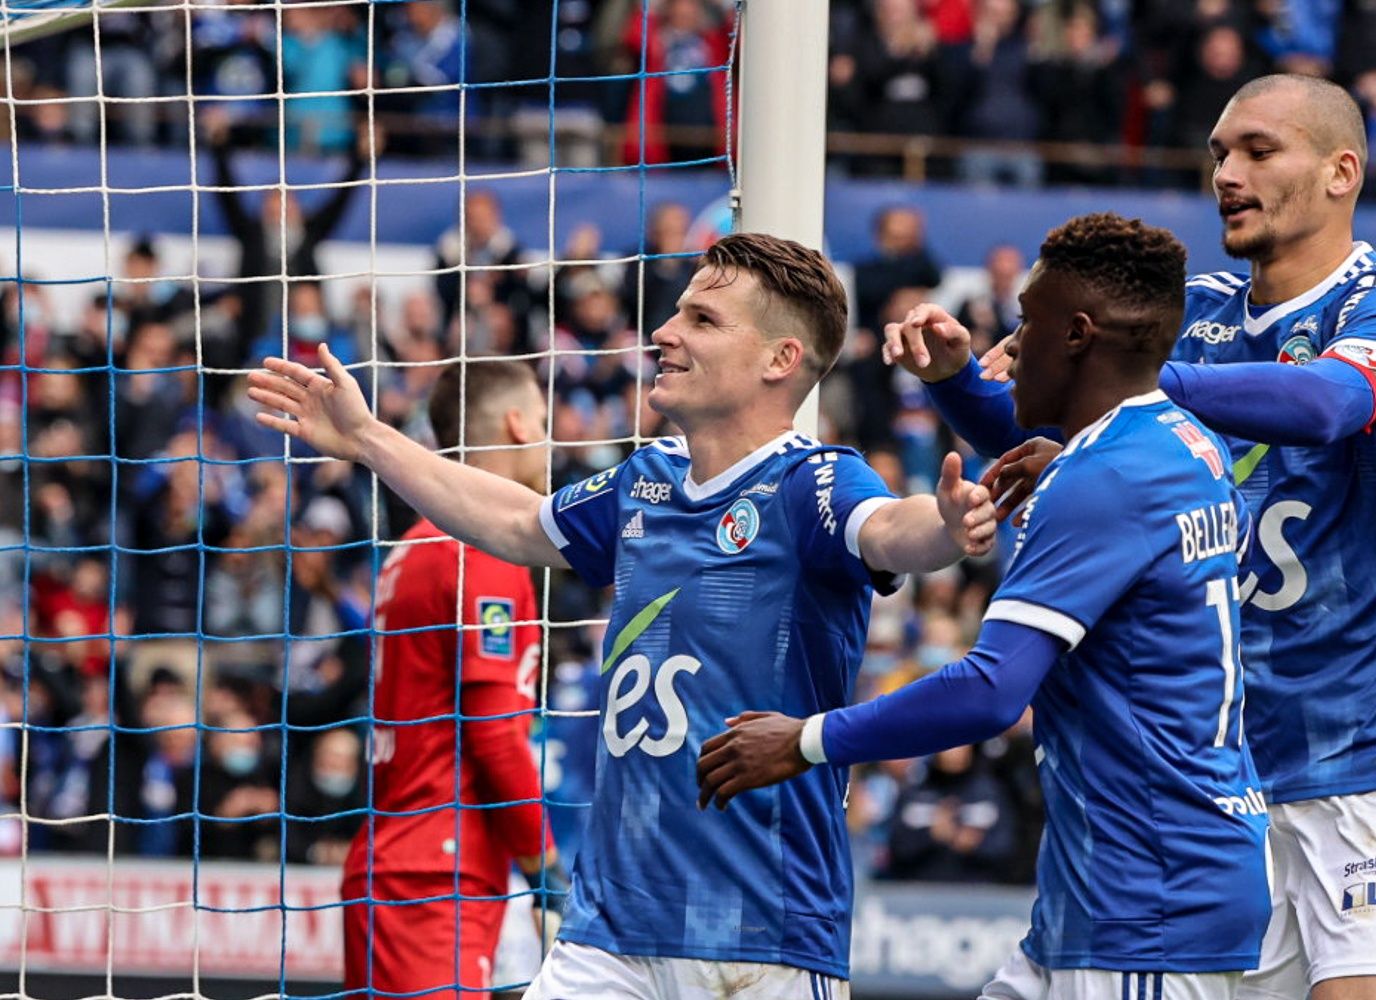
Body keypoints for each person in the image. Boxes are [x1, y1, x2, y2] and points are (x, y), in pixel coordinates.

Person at [249, 232, 995, 998]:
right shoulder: (647, 481)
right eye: (675, 313)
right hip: (610, 931)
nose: (664, 333)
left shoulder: (814, 482)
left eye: (702, 320)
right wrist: (370, 439)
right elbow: (515, 523)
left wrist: (944, 528)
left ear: (780, 360)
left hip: (761, 936)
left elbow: (888, 529)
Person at [882, 74, 1376, 999]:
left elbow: (1328, 404)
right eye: (1217, 154)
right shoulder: (1194, 315)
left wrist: (1137, 387)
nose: (1227, 174)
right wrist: (959, 382)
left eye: (1257, 150)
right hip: (1221, 780)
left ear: (1341, 172)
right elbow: (1066, 435)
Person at [697, 213, 1271, 999]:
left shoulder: (1104, 479)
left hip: (1150, 904)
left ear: (1076, 334)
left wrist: (805, 741)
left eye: (1025, 321)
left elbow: (990, 689)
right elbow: (1079, 454)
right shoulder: (1179, 442)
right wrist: (958, 385)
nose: (1006, 342)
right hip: (1137, 880)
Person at [340, 359, 558, 1000]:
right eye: (544, 424)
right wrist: (543, 859)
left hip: (403, 859)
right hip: (435, 874)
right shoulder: (483, 547)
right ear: (518, 424)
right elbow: (490, 729)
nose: (549, 441)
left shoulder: (414, 545)